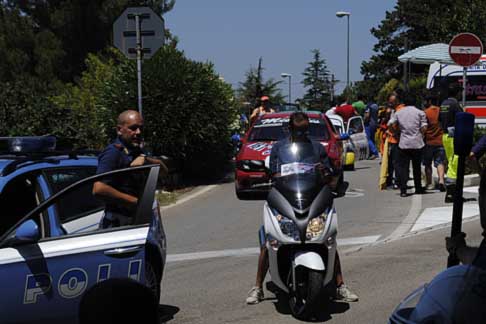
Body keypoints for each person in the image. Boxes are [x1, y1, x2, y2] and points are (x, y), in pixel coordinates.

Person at [246, 112, 359, 305]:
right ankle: (257, 287)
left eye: (305, 130)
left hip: (310, 198)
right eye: (299, 130)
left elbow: (329, 171)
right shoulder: (279, 148)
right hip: (286, 197)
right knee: (269, 241)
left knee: (328, 240)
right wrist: (272, 177)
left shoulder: (316, 147)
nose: (302, 133)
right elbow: (273, 172)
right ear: (290, 128)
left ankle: (340, 286)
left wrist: (327, 173)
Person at [93, 110, 167, 228]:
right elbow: (99, 189)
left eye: (140, 128)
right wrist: (136, 203)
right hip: (120, 223)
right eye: (133, 128)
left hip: (141, 218)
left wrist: (147, 160)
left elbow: (163, 172)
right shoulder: (113, 153)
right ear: (119, 130)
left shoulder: (137, 151)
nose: (138, 132)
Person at [389, 92, 427, 197]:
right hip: (417, 143)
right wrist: (421, 134)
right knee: (416, 167)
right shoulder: (420, 112)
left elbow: (390, 124)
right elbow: (424, 128)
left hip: (404, 143)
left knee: (403, 168)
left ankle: (403, 190)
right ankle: (418, 188)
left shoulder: (399, 113)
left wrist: (395, 133)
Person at [423, 93, 446, 192]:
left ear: (429, 101)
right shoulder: (441, 110)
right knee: (440, 162)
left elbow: (423, 127)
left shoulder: (425, 112)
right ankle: (441, 181)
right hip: (440, 140)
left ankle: (429, 183)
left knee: (428, 164)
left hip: (428, 141)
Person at [386, 92, 403, 189]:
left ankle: (398, 181)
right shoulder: (393, 110)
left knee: (396, 162)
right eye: (389, 102)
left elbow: (392, 125)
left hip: (397, 140)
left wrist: (394, 132)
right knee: (392, 162)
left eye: (392, 102)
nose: (390, 104)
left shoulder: (399, 110)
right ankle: (391, 180)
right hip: (392, 140)